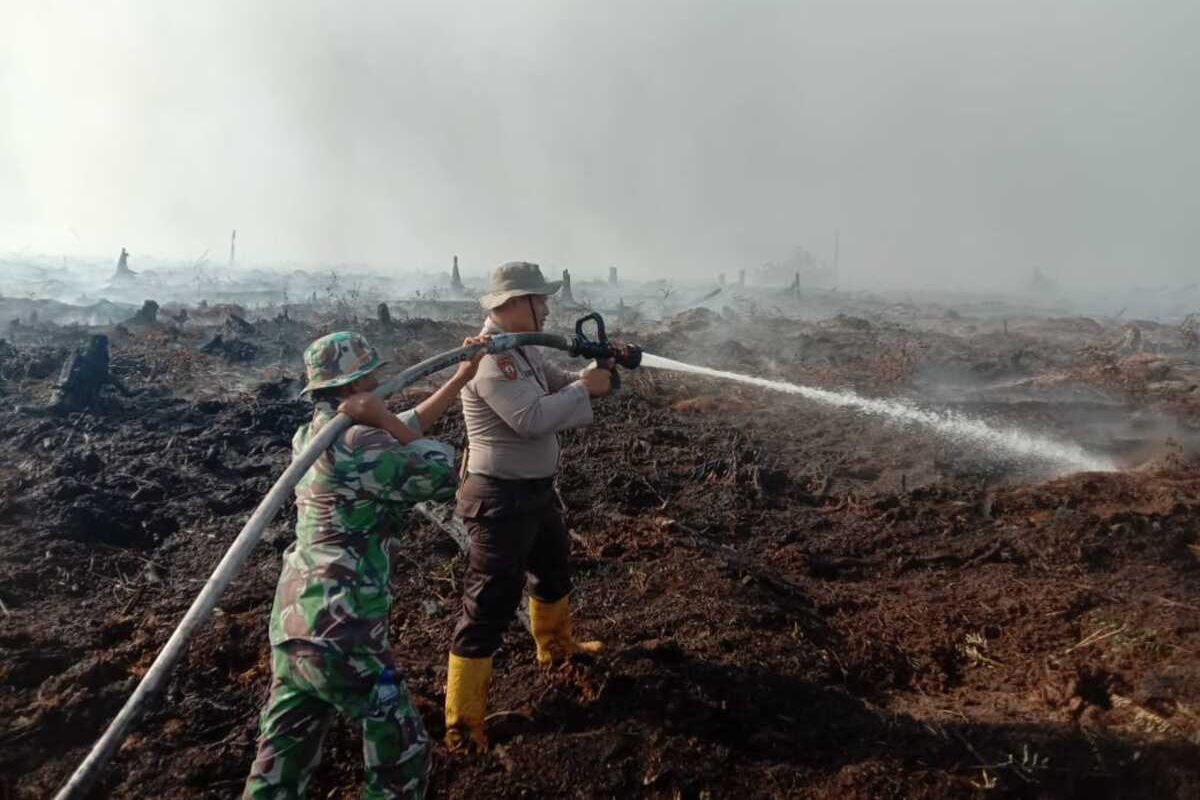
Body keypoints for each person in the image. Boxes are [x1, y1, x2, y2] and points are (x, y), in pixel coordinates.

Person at [244, 330, 487, 800]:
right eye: (373, 376)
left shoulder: (311, 434)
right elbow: (437, 472)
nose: (381, 381)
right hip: (342, 627)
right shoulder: (361, 442)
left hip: (295, 621)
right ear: (356, 387)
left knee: (282, 758)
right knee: (404, 749)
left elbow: (403, 428)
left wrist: (460, 378)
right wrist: (385, 422)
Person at [443, 262, 612, 751]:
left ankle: (556, 648)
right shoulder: (491, 360)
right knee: (489, 604)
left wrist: (596, 369)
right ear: (514, 304)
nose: (548, 306)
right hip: (499, 499)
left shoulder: (522, 347)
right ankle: (462, 724)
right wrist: (586, 389)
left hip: (534, 490)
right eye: (541, 300)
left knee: (553, 570)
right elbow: (531, 418)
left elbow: (554, 382)